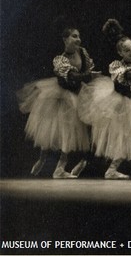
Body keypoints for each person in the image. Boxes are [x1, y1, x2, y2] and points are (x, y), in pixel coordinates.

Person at [17, 16, 98, 178]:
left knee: (73, 133)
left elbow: (87, 71)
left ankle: (60, 168)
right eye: (74, 36)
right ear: (65, 39)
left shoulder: (83, 52)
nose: (78, 39)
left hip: (77, 94)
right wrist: (87, 76)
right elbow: (74, 76)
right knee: (52, 132)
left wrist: (88, 76)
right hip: (61, 96)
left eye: (79, 36)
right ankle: (42, 160)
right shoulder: (60, 59)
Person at [78, 19, 131, 179]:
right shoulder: (115, 65)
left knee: (129, 137)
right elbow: (127, 74)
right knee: (110, 137)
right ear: (120, 53)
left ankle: (112, 169)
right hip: (117, 101)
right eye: (127, 51)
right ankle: (85, 161)